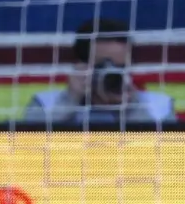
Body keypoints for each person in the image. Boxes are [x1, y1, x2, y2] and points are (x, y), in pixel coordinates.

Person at [23, 18, 175, 127]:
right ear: (80, 66)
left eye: (121, 67)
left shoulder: (159, 107)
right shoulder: (45, 104)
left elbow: (163, 162)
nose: (114, 73)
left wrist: (132, 108)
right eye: (103, 65)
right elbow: (30, 155)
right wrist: (69, 102)